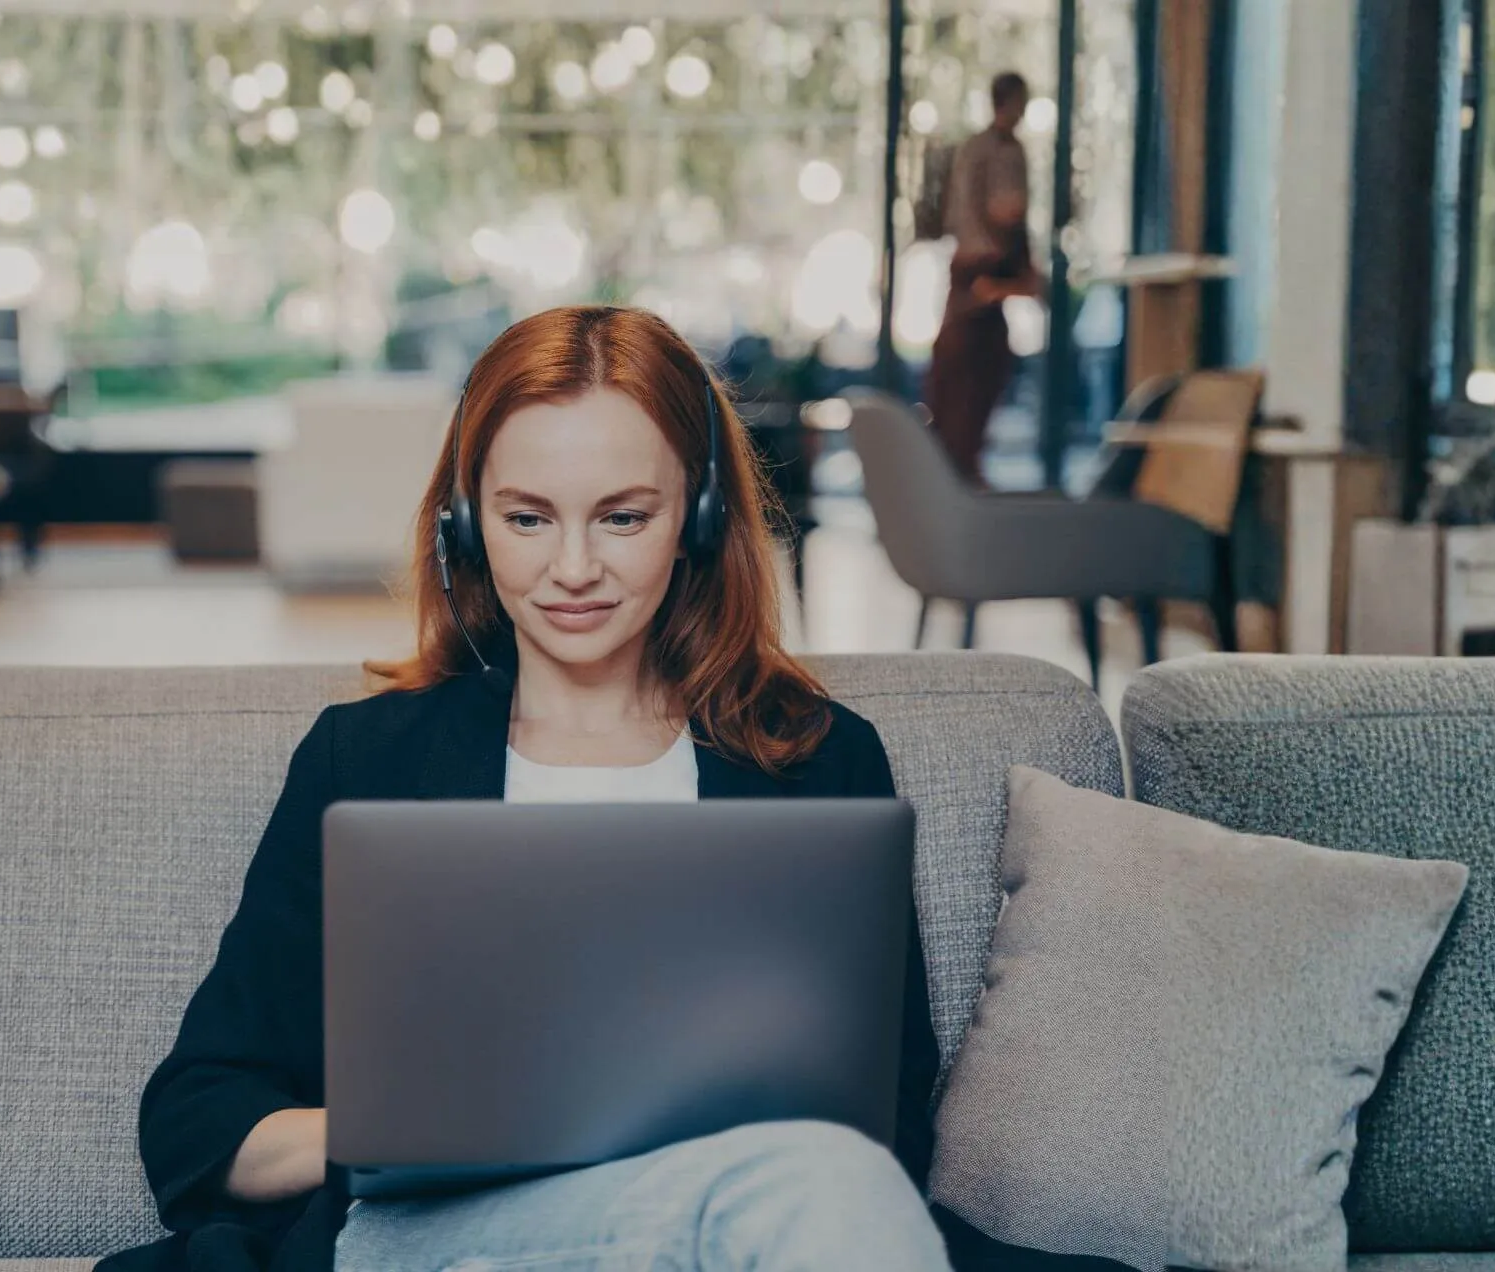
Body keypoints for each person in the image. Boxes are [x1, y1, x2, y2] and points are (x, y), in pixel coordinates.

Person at [97, 305, 986, 1272]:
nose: (572, 570)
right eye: (527, 518)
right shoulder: (369, 761)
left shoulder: (818, 759)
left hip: (726, 1227)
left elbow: (886, 1122)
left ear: (699, 517)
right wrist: (403, 1127)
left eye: (622, 517)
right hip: (439, 1242)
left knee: (824, 1186)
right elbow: (198, 1121)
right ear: (468, 523)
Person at [926, 72, 1046, 487]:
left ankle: (962, 460)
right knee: (968, 370)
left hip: (986, 265)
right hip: (980, 268)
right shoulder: (989, 151)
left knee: (979, 368)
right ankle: (957, 464)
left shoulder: (998, 150)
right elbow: (990, 210)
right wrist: (1004, 260)